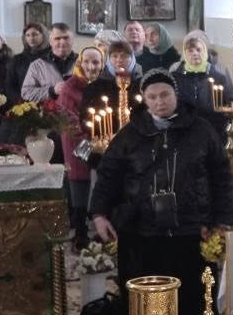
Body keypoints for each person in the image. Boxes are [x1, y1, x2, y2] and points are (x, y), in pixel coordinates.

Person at [90, 70, 233, 315]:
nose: (160, 101)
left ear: (175, 95)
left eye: (165, 94)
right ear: (145, 100)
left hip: (191, 230)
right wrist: (99, 214)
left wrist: (223, 220)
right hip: (142, 233)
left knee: (194, 301)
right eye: (153, 97)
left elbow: (221, 176)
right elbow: (108, 176)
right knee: (146, 306)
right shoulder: (130, 134)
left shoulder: (202, 130)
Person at [58, 47, 105, 249]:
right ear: (80, 63)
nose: (91, 66)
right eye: (87, 61)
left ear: (102, 65)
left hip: (102, 141)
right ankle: (80, 231)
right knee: (79, 183)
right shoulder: (71, 86)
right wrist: (91, 137)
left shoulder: (105, 84)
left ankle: (101, 229)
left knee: (102, 183)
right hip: (77, 142)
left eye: (96, 62)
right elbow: (67, 118)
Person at [170, 30, 233, 142]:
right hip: (184, 129)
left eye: (199, 49)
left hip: (213, 127)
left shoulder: (218, 74)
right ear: (184, 53)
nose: (195, 53)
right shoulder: (176, 74)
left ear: (205, 50)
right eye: (190, 50)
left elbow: (229, 100)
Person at [83, 40, 144, 124]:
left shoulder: (142, 84)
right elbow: (88, 115)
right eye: (115, 56)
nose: (119, 60)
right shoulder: (97, 86)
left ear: (132, 59)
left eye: (124, 56)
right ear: (109, 59)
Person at [22, 23, 77, 103]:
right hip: (49, 110)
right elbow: (26, 93)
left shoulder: (83, 61)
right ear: (50, 42)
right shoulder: (37, 66)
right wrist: (52, 91)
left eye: (66, 38)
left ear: (72, 40)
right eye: (57, 38)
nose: (62, 42)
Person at [4, 22, 47, 105]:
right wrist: (20, 101)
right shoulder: (17, 59)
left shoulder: (51, 57)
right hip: (23, 105)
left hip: (47, 104)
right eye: (28, 35)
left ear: (43, 36)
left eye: (34, 34)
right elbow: (10, 84)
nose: (31, 38)